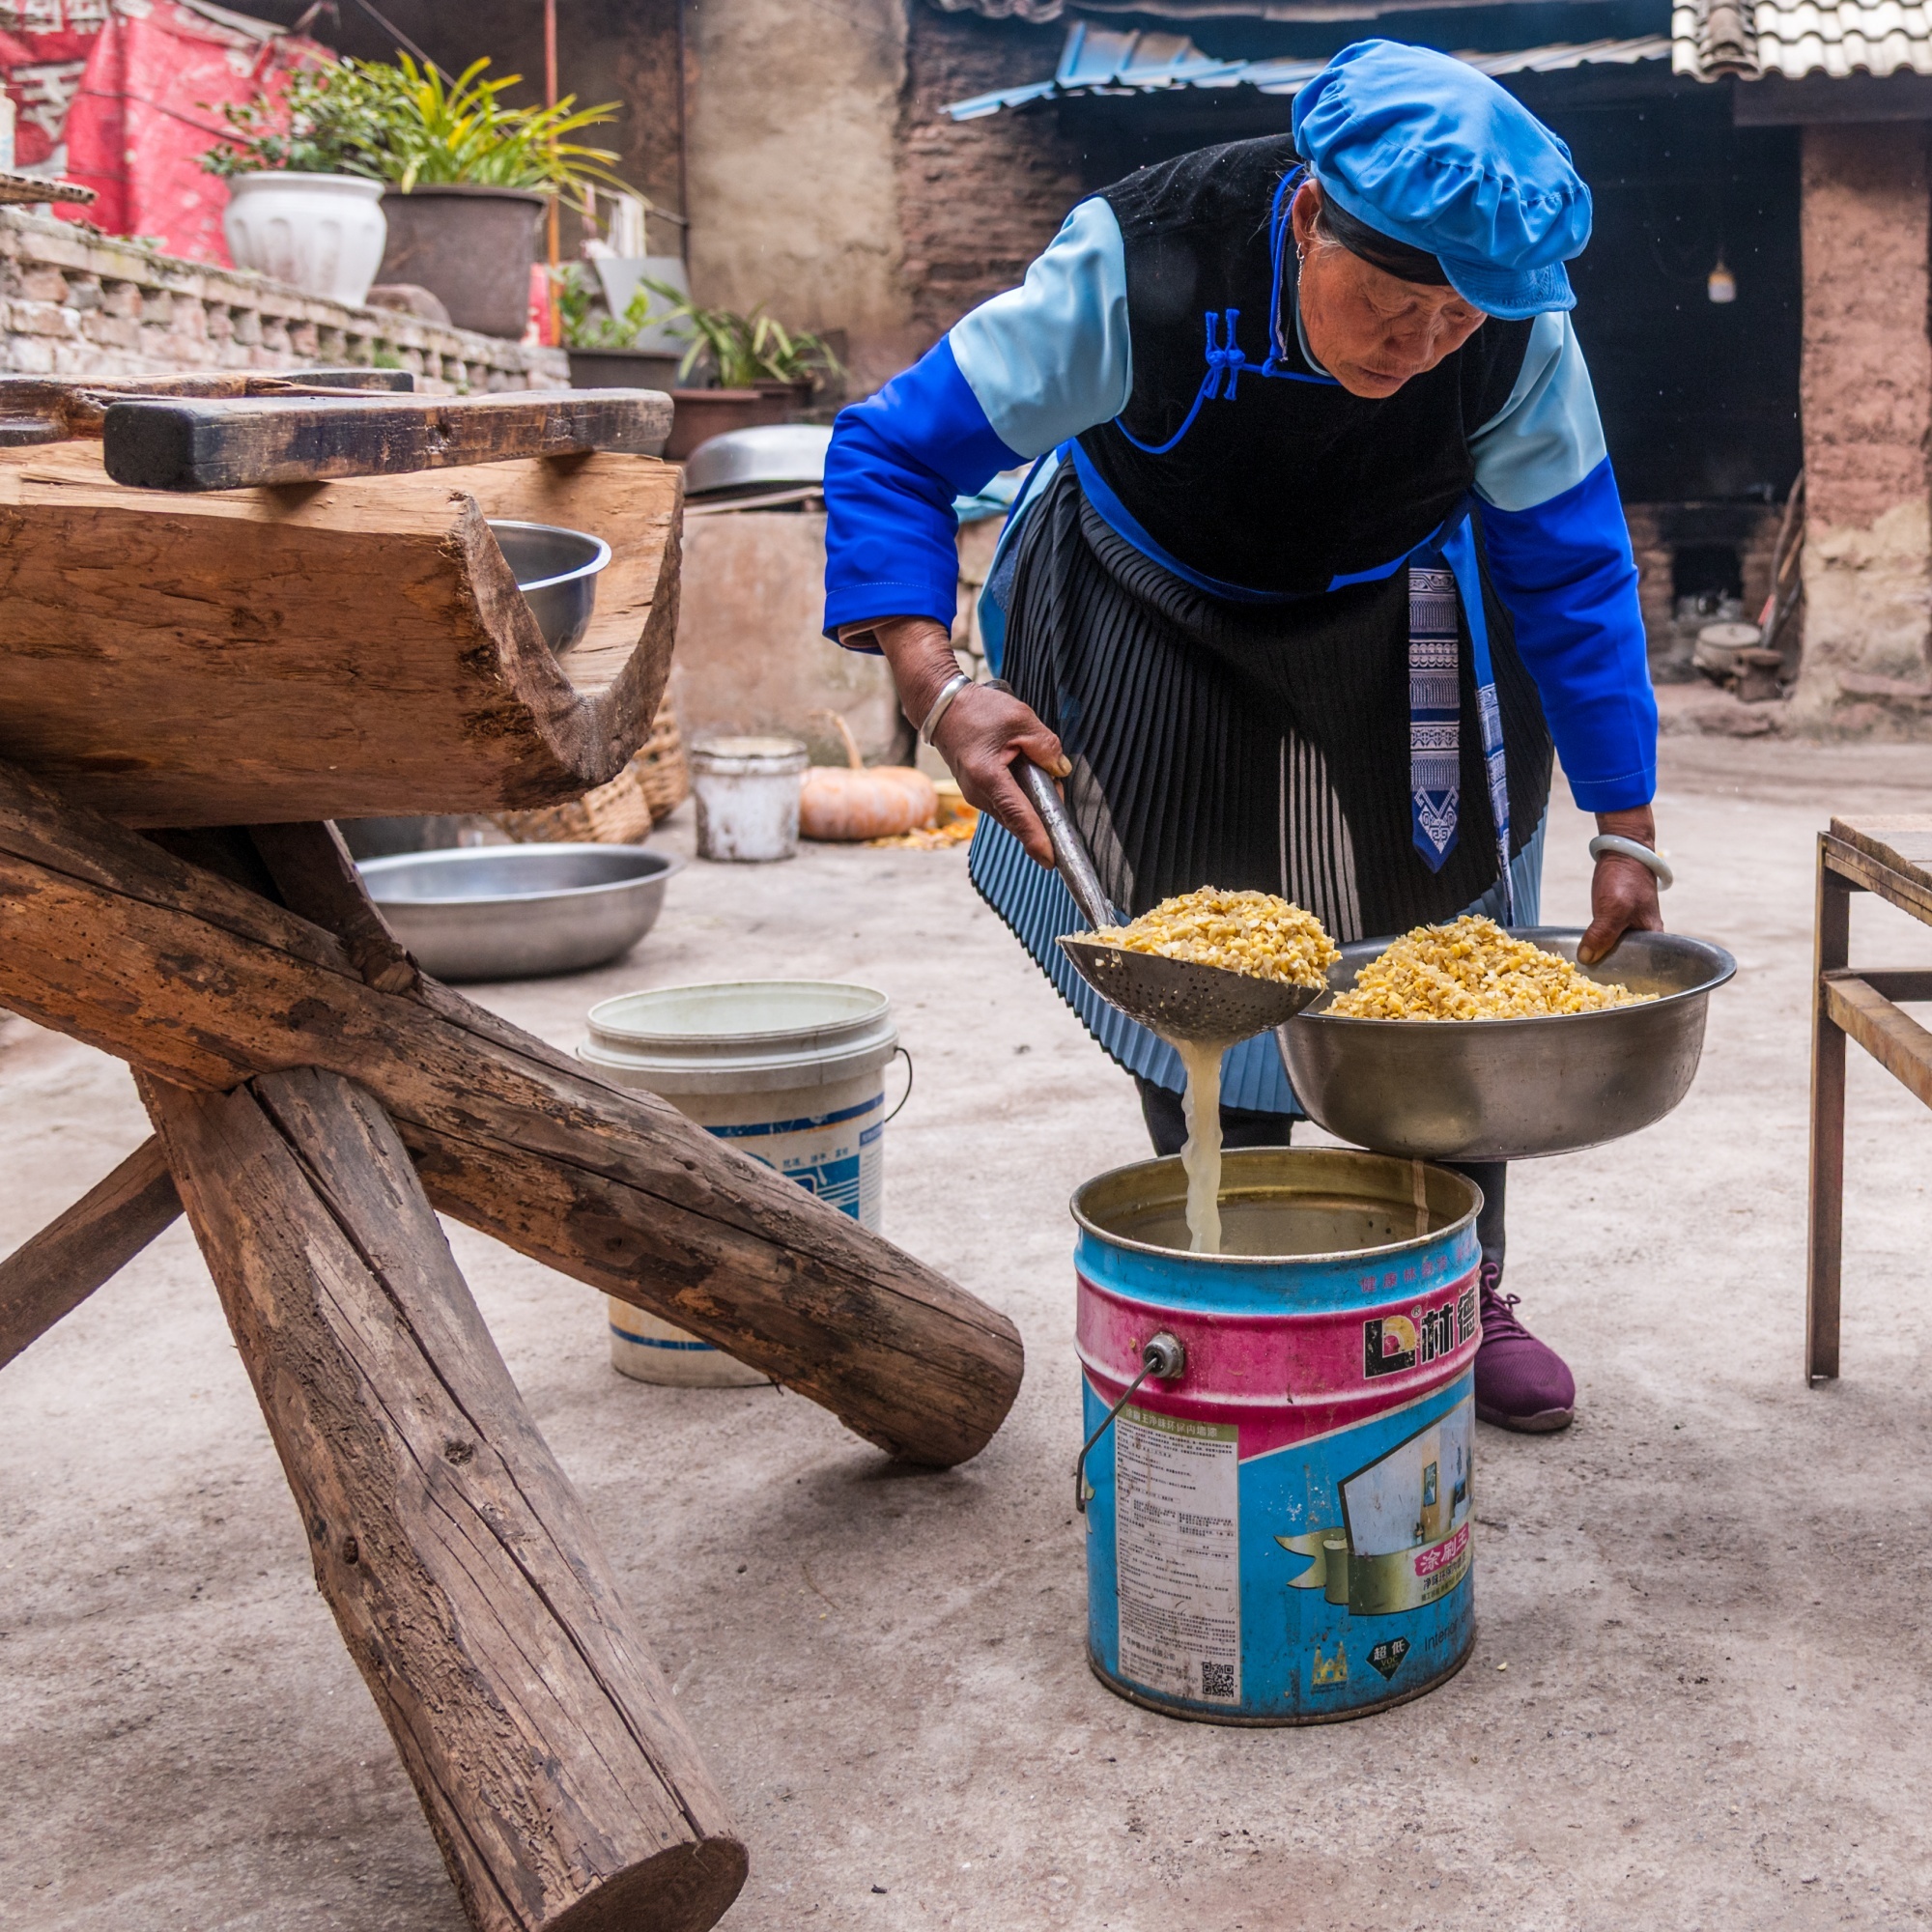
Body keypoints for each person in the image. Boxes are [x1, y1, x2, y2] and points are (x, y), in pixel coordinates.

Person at [819, 39, 1665, 1434]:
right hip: (1155, 585)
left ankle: (1461, 1285)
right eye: (1396, 306)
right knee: (1197, 932)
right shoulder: (1138, 257)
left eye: (1456, 323)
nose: (1424, 346)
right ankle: (1233, 1266)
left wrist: (1628, 828)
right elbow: (895, 451)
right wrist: (933, 681)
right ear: (1305, 220)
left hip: (1395, 590)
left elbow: (1570, 568)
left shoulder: (1513, 323)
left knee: (1441, 940)